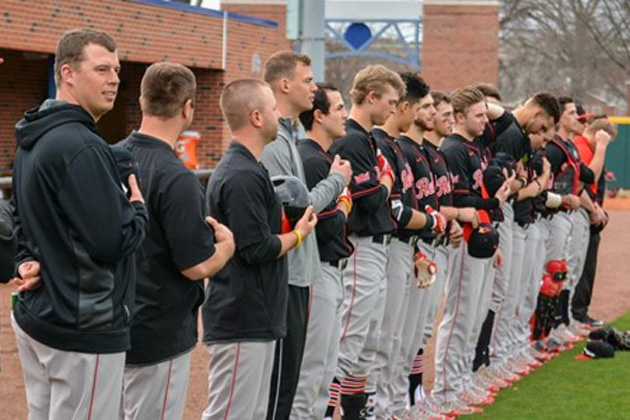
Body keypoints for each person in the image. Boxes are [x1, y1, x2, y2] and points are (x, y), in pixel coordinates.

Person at [11, 29, 148, 419]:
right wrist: (138, 208)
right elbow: (112, 241)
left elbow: (19, 216)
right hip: (82, 329)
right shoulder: (81, 145)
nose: (115, 79)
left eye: (117, 69)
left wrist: (24, 260)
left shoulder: (35, 136)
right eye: (102, 69)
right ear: (67, 74)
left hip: (44, 314)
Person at [118, 62, 235, 420]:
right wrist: (226, 248)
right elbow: (195, 265)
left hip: (110, 321)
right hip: (160, 330)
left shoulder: (108, 156)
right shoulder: (176, 177)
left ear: (141, 101)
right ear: (188, 108)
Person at [203, 78, 317, 420]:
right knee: (231, 413)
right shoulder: (241, 174)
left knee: (250, 412)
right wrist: (298, 234)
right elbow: (255, 248)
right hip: (242, 315)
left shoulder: (250, 167)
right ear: (256, 117)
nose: (277, 115)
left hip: (255, 313)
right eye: (271, 108)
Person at [261, 51, 351, 420]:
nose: (313, 88)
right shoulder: (278, 143)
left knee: (305, 374)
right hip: (291, 270)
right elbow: (300, 210)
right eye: (307, 80)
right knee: (290, 381)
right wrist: (338, 183)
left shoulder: (287, 137)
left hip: (305, 269)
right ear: (284, 85)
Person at [326, 65, 404, 419]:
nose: (393, 108)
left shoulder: (366, 136)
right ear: (371, 96)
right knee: (349, 341)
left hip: (376, 247)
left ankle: (357, 413)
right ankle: (327, 412)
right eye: (390, 100)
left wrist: (384, 182)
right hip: (359, 246)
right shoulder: (352, 137)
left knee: (368, 343)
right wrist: (386, 183)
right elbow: (368, 197)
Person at [369, 72, 447, 420]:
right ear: (406, 107)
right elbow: (396, 211)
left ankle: (395, 405)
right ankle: (377, 408)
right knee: (384, 338)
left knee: (405, 335)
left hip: (411, 246)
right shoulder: (382, 144)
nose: (429, 113)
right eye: (424, 106)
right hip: (386, 247)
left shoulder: (400, 147)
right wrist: (433, 222)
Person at [431, 86, 510, 416]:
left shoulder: (474, 145)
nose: (485, 120)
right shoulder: (454, 149)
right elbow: (458, 200)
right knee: (460, 316)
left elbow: (504, 122)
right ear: (460, 117)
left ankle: (460, 380)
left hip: (479, 236)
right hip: (462, 238)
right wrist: (494, 203)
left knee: (475, 314)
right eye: (478, 115)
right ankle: (445, 389)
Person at [292, 83, 354, 420]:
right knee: (311, 371)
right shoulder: (312, 160)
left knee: (325, 368)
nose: (345, 114)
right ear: (318, 115)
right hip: (317, 270)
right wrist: (344, 200)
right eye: (339, 107)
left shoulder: (324, 157)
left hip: (332, 269)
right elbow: (327, 225)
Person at [571, 114, 616, 326]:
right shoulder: (583, 147)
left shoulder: (583, 146)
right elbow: (583, 182)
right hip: (576, 212)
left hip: (585, 211)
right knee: (571, 271)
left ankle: (574, 316)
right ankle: (573, 316)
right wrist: (593, 208)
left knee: (580, 268)